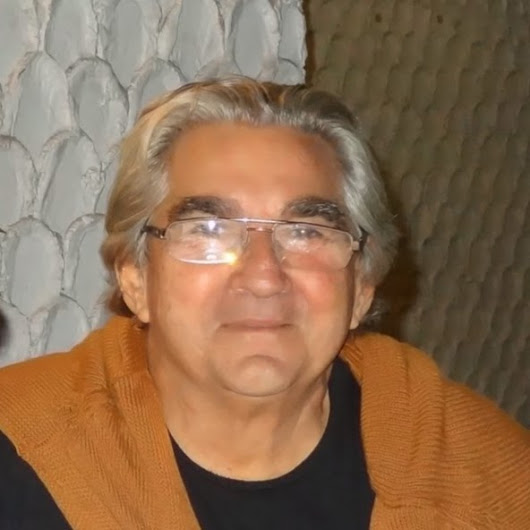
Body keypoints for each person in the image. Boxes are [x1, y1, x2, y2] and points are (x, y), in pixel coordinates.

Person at [0, 77, 528, 530]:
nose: (262, 276)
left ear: (362, 286)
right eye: (208, 230)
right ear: (135, 278)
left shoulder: (488, 482)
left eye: (306, 231)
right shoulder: (17, 456)